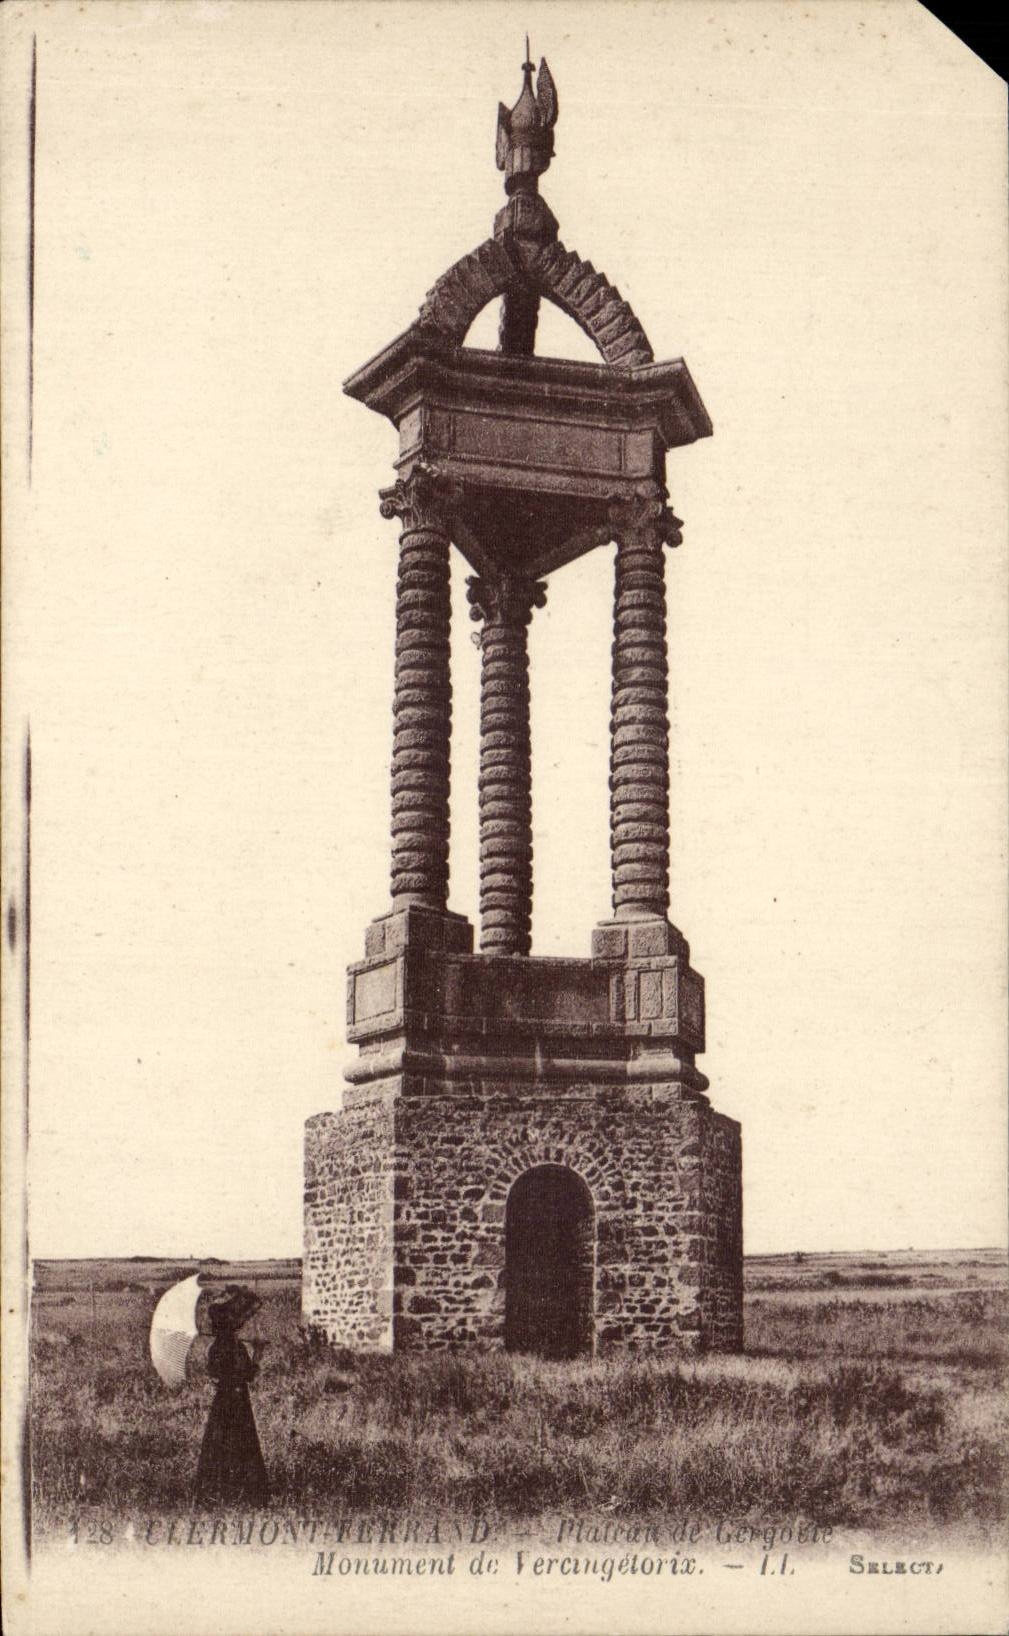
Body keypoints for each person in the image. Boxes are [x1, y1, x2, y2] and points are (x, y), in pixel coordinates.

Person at [194, 1285, 269, 1506]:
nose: (240, 1327)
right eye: (237, 1324)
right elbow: (248, 1375)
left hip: (223, 1400)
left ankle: (219, 1491)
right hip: (237, 1401)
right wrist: (258, 1354)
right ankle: (242, 1492)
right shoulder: (235, 1348)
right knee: (240, 1442)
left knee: (221, 1442)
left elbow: (214, 1373)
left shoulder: (217, 1347)